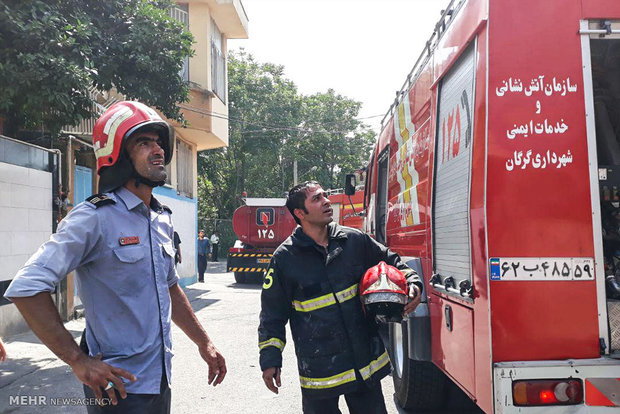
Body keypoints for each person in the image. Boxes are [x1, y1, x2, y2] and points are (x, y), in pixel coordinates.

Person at [4, 101, 226, 413]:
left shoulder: (160, 217)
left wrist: (204, 342)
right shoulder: (94, 217)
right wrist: (77, 360)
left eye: (159, 142)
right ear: (119, 154)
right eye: (144, 142)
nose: (159, 150)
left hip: (160, 380)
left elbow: (170, 287)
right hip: (117, 390)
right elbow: (26, 287)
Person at [258, 181, 422, 413]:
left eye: (325, 195)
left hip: (365, 366)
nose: (326, 201)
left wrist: (413, 282)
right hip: (321, 373)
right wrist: (270, 359)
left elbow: (391, 261)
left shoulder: (354, 240)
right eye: (316, 198)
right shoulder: (285, 258)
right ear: (299, 213)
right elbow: (272, 314)